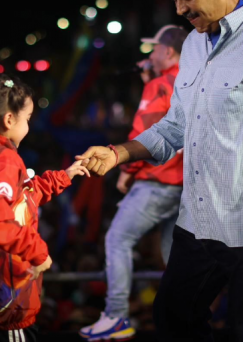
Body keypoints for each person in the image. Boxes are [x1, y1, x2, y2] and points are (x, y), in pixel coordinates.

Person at [76, 0, 243, 342]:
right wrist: (119, 152)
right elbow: (176, 125)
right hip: (197, 225)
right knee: (173, 319)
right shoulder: (192, 44)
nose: (179, 9)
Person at [0, 73, 89, 342]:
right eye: (27, 119)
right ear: (9, 120)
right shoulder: (2, 160)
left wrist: (64, 176)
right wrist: (37, 252)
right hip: (5, 306)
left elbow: (20, 199)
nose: (29, 126)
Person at [79, 25, 187, 341]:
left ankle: (116, 316)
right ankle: (183, 320)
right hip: (184, 183)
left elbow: (148, 132)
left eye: (154, 48)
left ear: (168, 52)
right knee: (173, 257)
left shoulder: (160, 83)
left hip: (158, 180)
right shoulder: (188, 80)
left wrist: (128, 169)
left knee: (117, 239)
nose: (149, 54)